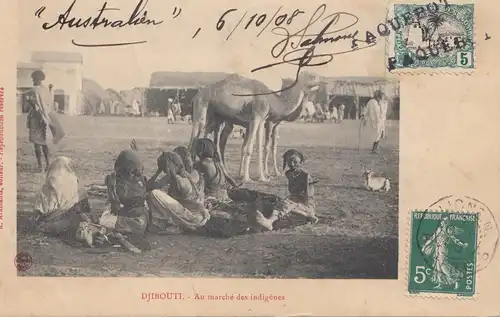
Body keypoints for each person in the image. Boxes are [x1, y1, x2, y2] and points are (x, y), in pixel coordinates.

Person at [146, 151, 210, 234]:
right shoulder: (185, 175)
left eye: (163, 167)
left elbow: (149, 188)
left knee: (154, 193)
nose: (163, 170)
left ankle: (171, 224)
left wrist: (157, 172)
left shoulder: (176, 178)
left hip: (191, 217)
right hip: (198, 216)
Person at [255, 149, 319, 231]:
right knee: (279, 203)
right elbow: (292, 191)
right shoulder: (289, 174)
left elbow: (307, 197)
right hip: (293, 201)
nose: (292, 164)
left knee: (286, 204)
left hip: (305, 204)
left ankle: (270, 222)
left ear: (301, 161)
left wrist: (296, 203)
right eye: (289, 161)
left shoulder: (305, 176)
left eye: (294, 161)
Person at [34, 156, 92, 237]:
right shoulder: (77, 183)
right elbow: (86, 208)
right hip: (69, 223)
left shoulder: (48, 186)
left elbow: (39, 213)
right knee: (78, 219)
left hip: (49, 225)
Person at [98, 149, 149, 237]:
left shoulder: (121, 182)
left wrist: (111, 189)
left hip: (134, 219)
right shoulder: (141, 180)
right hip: (142, 219)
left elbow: (115, 209)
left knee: (104, 221)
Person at [421, 216, 468, 290]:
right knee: (438, 266)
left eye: (445, 221)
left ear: (447, 222)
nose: (443, 222)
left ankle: (456, 279)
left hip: (442, 249)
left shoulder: (449, 229)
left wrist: (461, 244)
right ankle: (441, 283)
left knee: (443, 266)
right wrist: (425, 246)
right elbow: (432, 238)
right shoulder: (440, 229)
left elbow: (454, 239)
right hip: (437, 248)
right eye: (442, 221)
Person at [26, 70, 55, 172]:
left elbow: (33, 105)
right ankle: (47, 164)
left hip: (36, 118)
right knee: (44, 142)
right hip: (45, 118)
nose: (33, 80)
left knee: (37, 143)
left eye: (34, 79)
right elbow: (49, 103)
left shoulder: (34, 90)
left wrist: (29, 101)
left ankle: (40, 166)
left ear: (38, 79)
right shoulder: (45, 90)